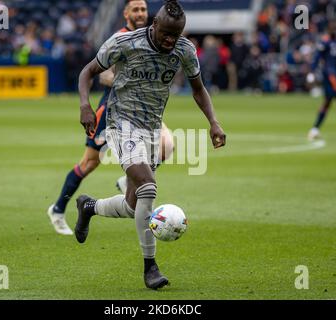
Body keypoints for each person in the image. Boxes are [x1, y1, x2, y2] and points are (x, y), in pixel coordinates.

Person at [75, 0, 226, 290]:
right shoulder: (125, 42)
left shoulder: (184, 50)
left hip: (152, 128)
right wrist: (85, 104)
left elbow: (198, 89)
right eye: (166, 33)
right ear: (153, 25)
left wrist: (214, 122)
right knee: (148, 187)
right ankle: (150, 267)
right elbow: (87, 72)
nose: (170, 40)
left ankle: (89, 207)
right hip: (120, 124)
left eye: (176, 34)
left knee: (135, 206)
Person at [47, 0, 174, 235]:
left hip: (145, 111)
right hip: (113, 109)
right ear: (125, 13)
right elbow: (103, 76)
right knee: (89, 163)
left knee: (167, 145)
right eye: (135, 9)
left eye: (143, 9)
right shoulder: (120, 38)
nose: (139, 13)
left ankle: (133, 180)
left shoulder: (153, 38)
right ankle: (57, 208)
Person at [307, 22, 336, 141]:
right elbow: (317, 57)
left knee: (328, 103)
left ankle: (315, 129)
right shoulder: (325, 42)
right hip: (330, 76)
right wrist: (312, 72)